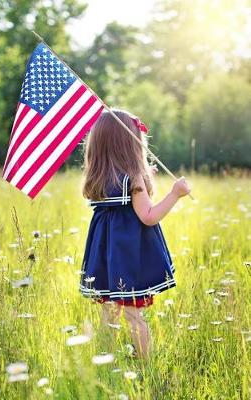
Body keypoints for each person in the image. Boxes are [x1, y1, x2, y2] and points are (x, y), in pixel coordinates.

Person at [79, 109, 191, 359]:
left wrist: (145, 178)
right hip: (128, 255)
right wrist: (175, 194)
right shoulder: (133, 177)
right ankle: (145, 364)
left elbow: (121, 203)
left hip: (106, 254)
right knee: (133, 314)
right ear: (129, 143)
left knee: (109, 312)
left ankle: (105, 361)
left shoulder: (98, 176)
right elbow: (148, 216)